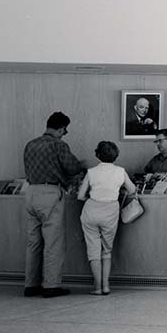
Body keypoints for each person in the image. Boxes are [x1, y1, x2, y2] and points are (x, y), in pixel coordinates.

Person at [22, 111, 89, 298]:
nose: (64, 134)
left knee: (33, 242)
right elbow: (72, 167)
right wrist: (81, 166)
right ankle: (51, 285)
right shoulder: (58, 145)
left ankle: (31, 285)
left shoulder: (30, 144)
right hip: (50, 194)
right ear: (61, 129)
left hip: (31, 192)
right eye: (64, 131)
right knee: (53, 242)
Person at [77, 140, 137, 295]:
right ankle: (106, 286)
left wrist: (93, 198)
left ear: (97, 154)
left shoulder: (91, 172)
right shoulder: (120, 171)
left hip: (91, 211)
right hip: (110, 212)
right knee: (106, 251)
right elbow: (132, 190)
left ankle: (97, 287)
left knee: (93, 250)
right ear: (115, 155)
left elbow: (80, 196)